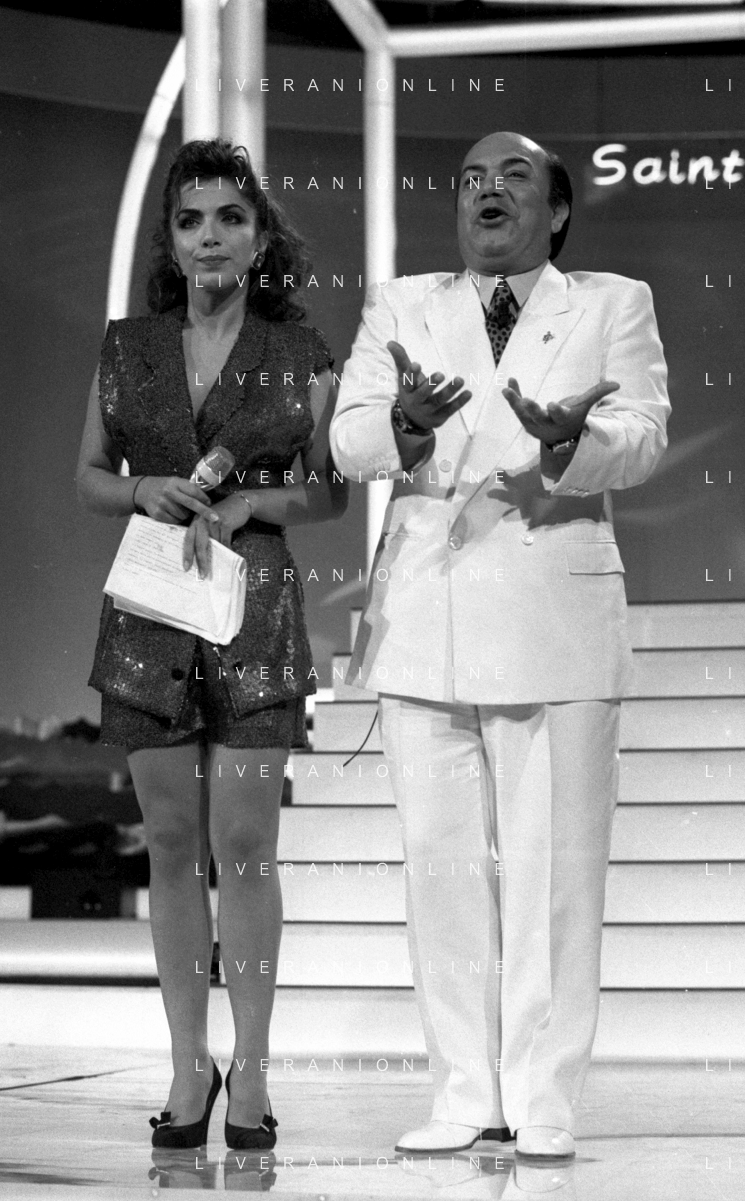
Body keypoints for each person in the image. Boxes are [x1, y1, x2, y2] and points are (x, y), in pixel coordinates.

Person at [330, 130, 669, 1159]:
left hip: (552, 609)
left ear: (556, 211)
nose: (486, 190)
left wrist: (571, 442)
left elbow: (644, 434)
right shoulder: (402, 305)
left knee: (554, 873)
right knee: (439, 871)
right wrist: (405, 427)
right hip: (426, 613)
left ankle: (543, 1094)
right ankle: (462, 1089)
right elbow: (348, 440)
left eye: (513, 176)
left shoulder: (611, 303)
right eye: (471, 178)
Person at [77, 138, 347, 1150]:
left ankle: (254, 1071)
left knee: (245, 847)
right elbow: (89, 476)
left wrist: (245, 505)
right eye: (191, 220)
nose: (210, 237)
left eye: (230, 217)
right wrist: (143, 488)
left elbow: (329, 492)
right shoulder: (127, 347)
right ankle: (189, 1064)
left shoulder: (300, 349)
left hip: (254, 608)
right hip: (149, 608)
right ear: (171, 239)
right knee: (171, 845)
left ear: (260, 236)